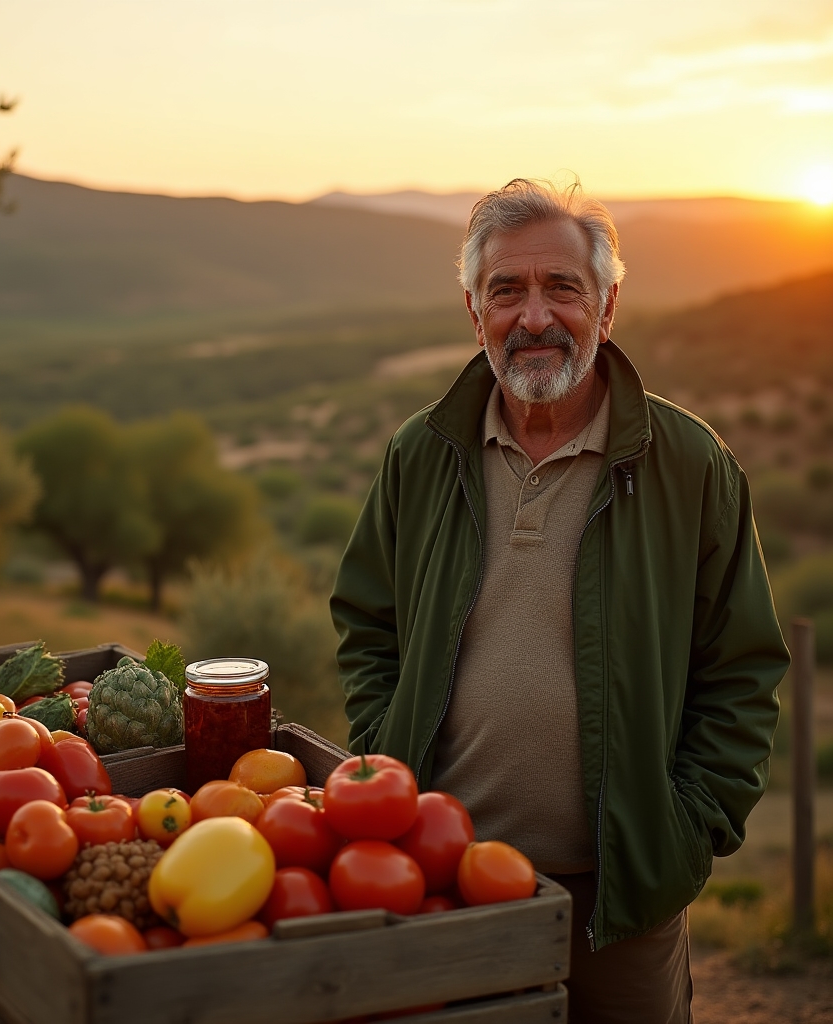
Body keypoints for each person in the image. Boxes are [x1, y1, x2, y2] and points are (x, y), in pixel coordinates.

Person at [330, 178, 788, 1024]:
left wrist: (688, 830)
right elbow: (367, 624)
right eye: (506, 290)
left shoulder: (690, 465)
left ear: (607, 305)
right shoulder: (422, 455)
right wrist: (381, 748)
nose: (534, 317)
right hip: (443, 881)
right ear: (475, 314)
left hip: (623, 897)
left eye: (561, 288)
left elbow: (743, 666)